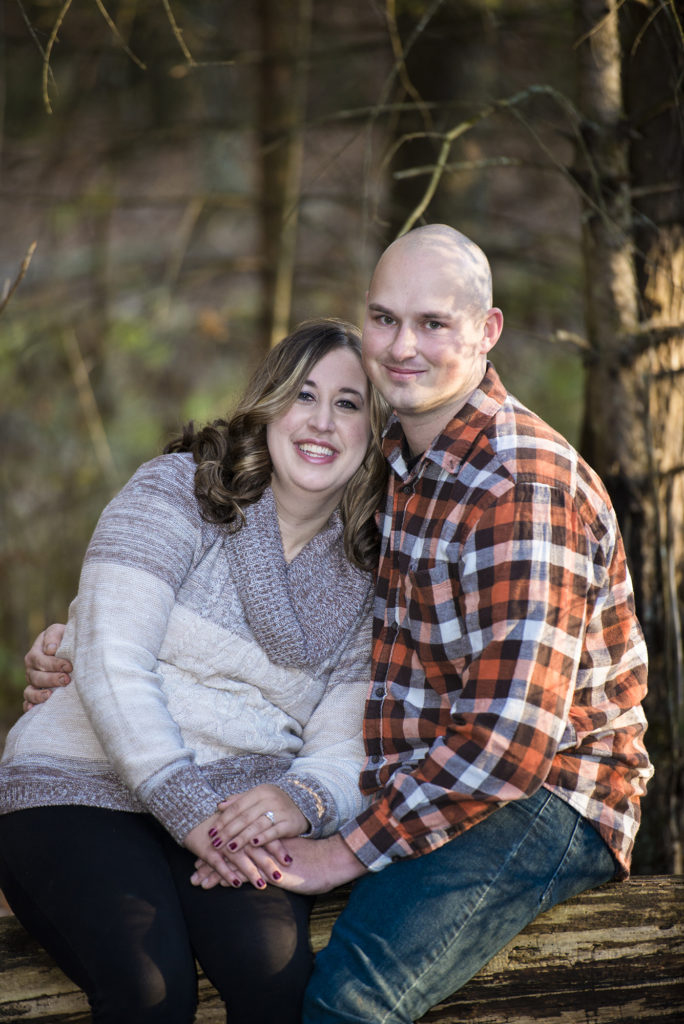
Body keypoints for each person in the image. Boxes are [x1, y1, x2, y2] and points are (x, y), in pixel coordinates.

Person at [23, 225, 654, 1024]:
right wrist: (73, 639)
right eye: (385, 319)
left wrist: (336, 845)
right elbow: (148, 624)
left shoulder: (517, 487)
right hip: (410, 784)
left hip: (542, 797)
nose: (402, 345)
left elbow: (509, 744)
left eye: (434, 323)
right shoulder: (395, 468)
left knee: (343, 1000)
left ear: (488, 332)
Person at [0, 317, 389, 1024]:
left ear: (373, 430)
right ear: (270, 402)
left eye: (349, 403)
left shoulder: (369, 575)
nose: (322, 422)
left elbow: (349, 739)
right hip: (81, 782)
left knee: (273, 979)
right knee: (151, 991)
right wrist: (186, 812)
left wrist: (302, 799)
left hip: (236, 807)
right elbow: (111, 656)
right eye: (305, 395)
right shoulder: (179, 490)